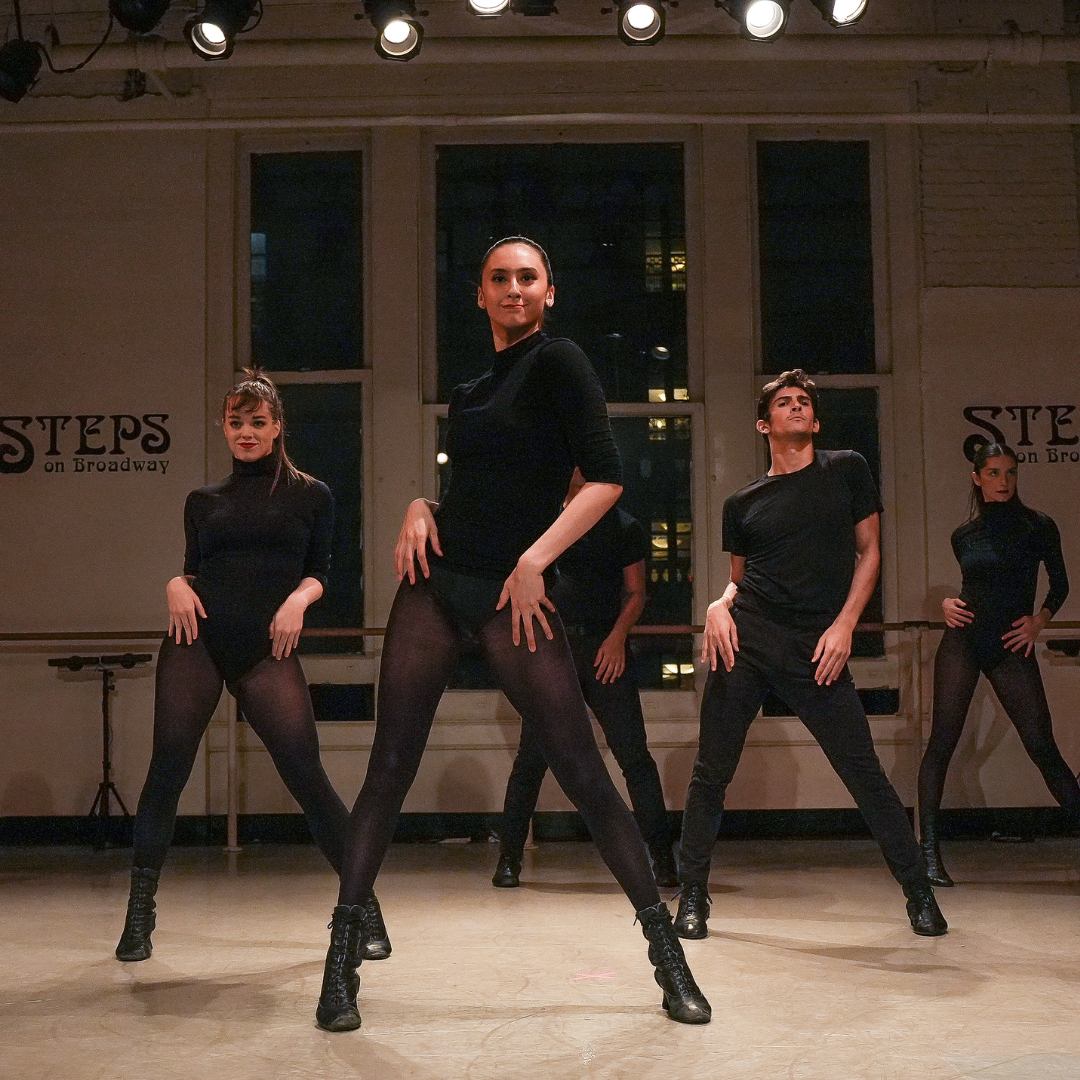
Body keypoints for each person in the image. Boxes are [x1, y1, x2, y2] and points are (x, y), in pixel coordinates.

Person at [315, 237, 710, 1032]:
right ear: (481, 294)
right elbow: (474, 488)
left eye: (527, 277)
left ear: (550, 290)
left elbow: (606, 477)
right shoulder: (468, 392)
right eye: (499, 278)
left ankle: (669, 959)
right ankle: (341, 959)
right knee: (387, 769)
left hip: (512, 593)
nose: (513, 289)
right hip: (437, 584)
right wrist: (422, 506)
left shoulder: (560, 362)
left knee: (584, 771)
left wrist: (536, 558)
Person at [115, 371, 390, 966]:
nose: (246, 432)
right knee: (168, 768)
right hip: (199, 638)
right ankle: (139, 916)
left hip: (268, 645)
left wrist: (298, 599)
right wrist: (172, 584)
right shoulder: (203, 501)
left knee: (307, 777)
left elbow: (322, 571)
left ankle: (363, 908)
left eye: (257, 422)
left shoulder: (312, 495)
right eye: (236, 422)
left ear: (277, 427)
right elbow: (193, 570)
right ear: (224, 427)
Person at [674, 369, 946, 941]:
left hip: (817, 645)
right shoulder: (742, 503)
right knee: (710, 773)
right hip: (749, 639)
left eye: (803, 403)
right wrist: (717, 606)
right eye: (784, 402)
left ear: (815, 421)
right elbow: (738, 582)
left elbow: (869, 554)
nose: (795, 407)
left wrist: (846, 625)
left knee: (863, 772)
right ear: (763, 423)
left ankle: (918, 893)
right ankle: (693, 898)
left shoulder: (846, 468)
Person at [492, 471, 678, 890]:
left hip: (603, 647)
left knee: (634, 757)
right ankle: (508, 858)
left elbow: (636, 592)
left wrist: (616, 638)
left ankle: (663, 858)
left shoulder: (621, 524)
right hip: (551, 648)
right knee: (531, 759)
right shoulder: (541, 520)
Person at [918, 441, 1079, 886]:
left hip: (1010, 644)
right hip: (963, 641)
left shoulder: (1039, 526)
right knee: (942, 743)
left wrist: (1039, 621)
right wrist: (949, 603)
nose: (1003, 481)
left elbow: (1060, 585)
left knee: (1042, 747)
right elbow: (973, 586)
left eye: (1009, 472)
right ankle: (927, 856)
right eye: (993, 473)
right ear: (977, 477)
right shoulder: (963, 535)